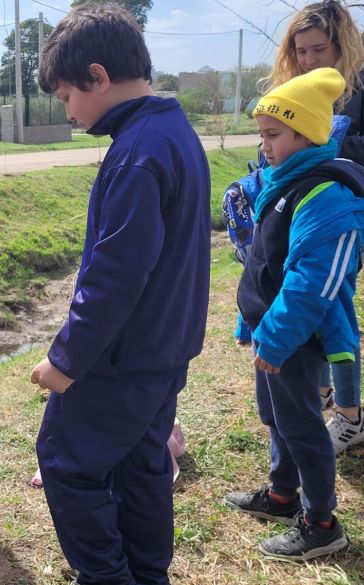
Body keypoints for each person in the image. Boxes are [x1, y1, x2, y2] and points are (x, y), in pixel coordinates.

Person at [29, 5, 210, 584]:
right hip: (165, 349)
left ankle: (108, 577)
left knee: (65, 462)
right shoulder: (172, 132)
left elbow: (117, 274)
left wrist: (66, 359)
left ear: (99, 77)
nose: (68, 110)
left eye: (65, 97)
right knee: (142, 465)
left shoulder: (136, 153)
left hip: (121, 358)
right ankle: (147, 574)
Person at [224, 67, 364, 561]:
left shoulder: (328, 196)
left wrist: (278, 336)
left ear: (306, 134)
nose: (264, 146)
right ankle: (283, 495)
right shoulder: (283, 181)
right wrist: (254, 322)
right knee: (276, 417)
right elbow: (264, 263)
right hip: (273, 333)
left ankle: (321, 523)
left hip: (298, 339)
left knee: (303, 425)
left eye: (273, 135)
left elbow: (311, 284)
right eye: (262, 135)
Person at [265, 0, 364, 452]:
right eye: (299, 50)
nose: (307, 60)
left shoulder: (357, 93)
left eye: (318, 49)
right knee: (308, 302)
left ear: (342, 46)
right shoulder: (293, 92)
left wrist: (339, 146)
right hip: (299, 212)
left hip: (339, 214)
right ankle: (320, 392)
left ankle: (349, 414)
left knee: (335, 310)